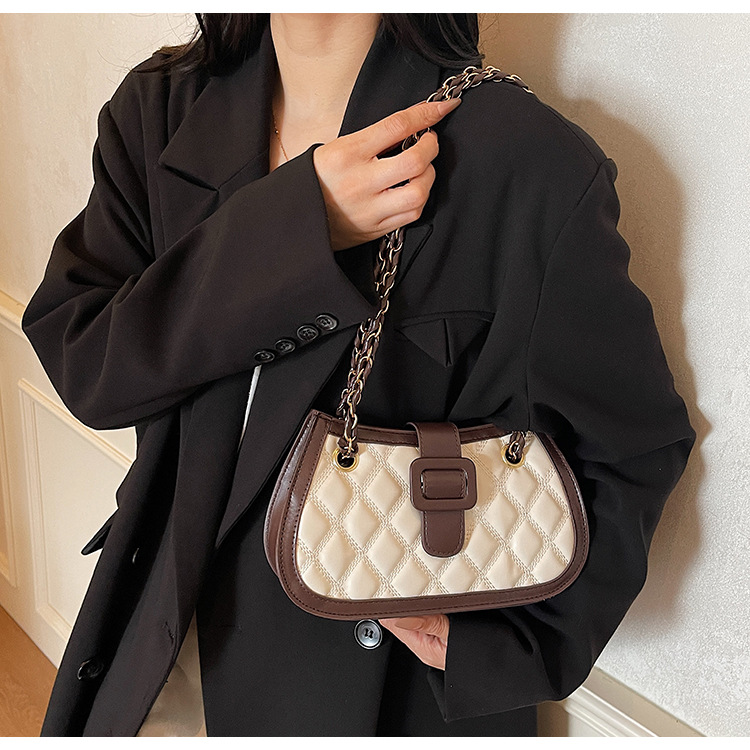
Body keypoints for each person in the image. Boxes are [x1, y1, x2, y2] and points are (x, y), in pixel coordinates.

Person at [22, 13, 696, 737]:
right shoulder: (160, 109)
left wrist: (504, 649)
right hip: (155, 650)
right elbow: (89, 363)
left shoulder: (521, 159)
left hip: (366, 694)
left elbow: (633, 443)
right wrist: (296, 225)